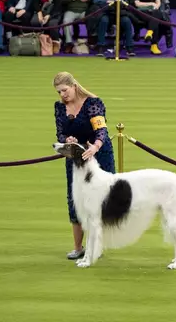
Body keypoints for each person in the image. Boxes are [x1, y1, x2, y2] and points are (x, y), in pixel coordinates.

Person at [53, 72, 115, 260]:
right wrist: (67, 139)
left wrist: (95, 147)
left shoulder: (93, 103)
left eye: (64, 90)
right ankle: (78, 247)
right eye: (59, 92)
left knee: (100, 200)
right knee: (75, 199)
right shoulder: (59, 107)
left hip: (99, 156)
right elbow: (60, 133)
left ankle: (97, 245)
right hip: (75, 158)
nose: (62, 95)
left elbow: (101, 130)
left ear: (73, 86)